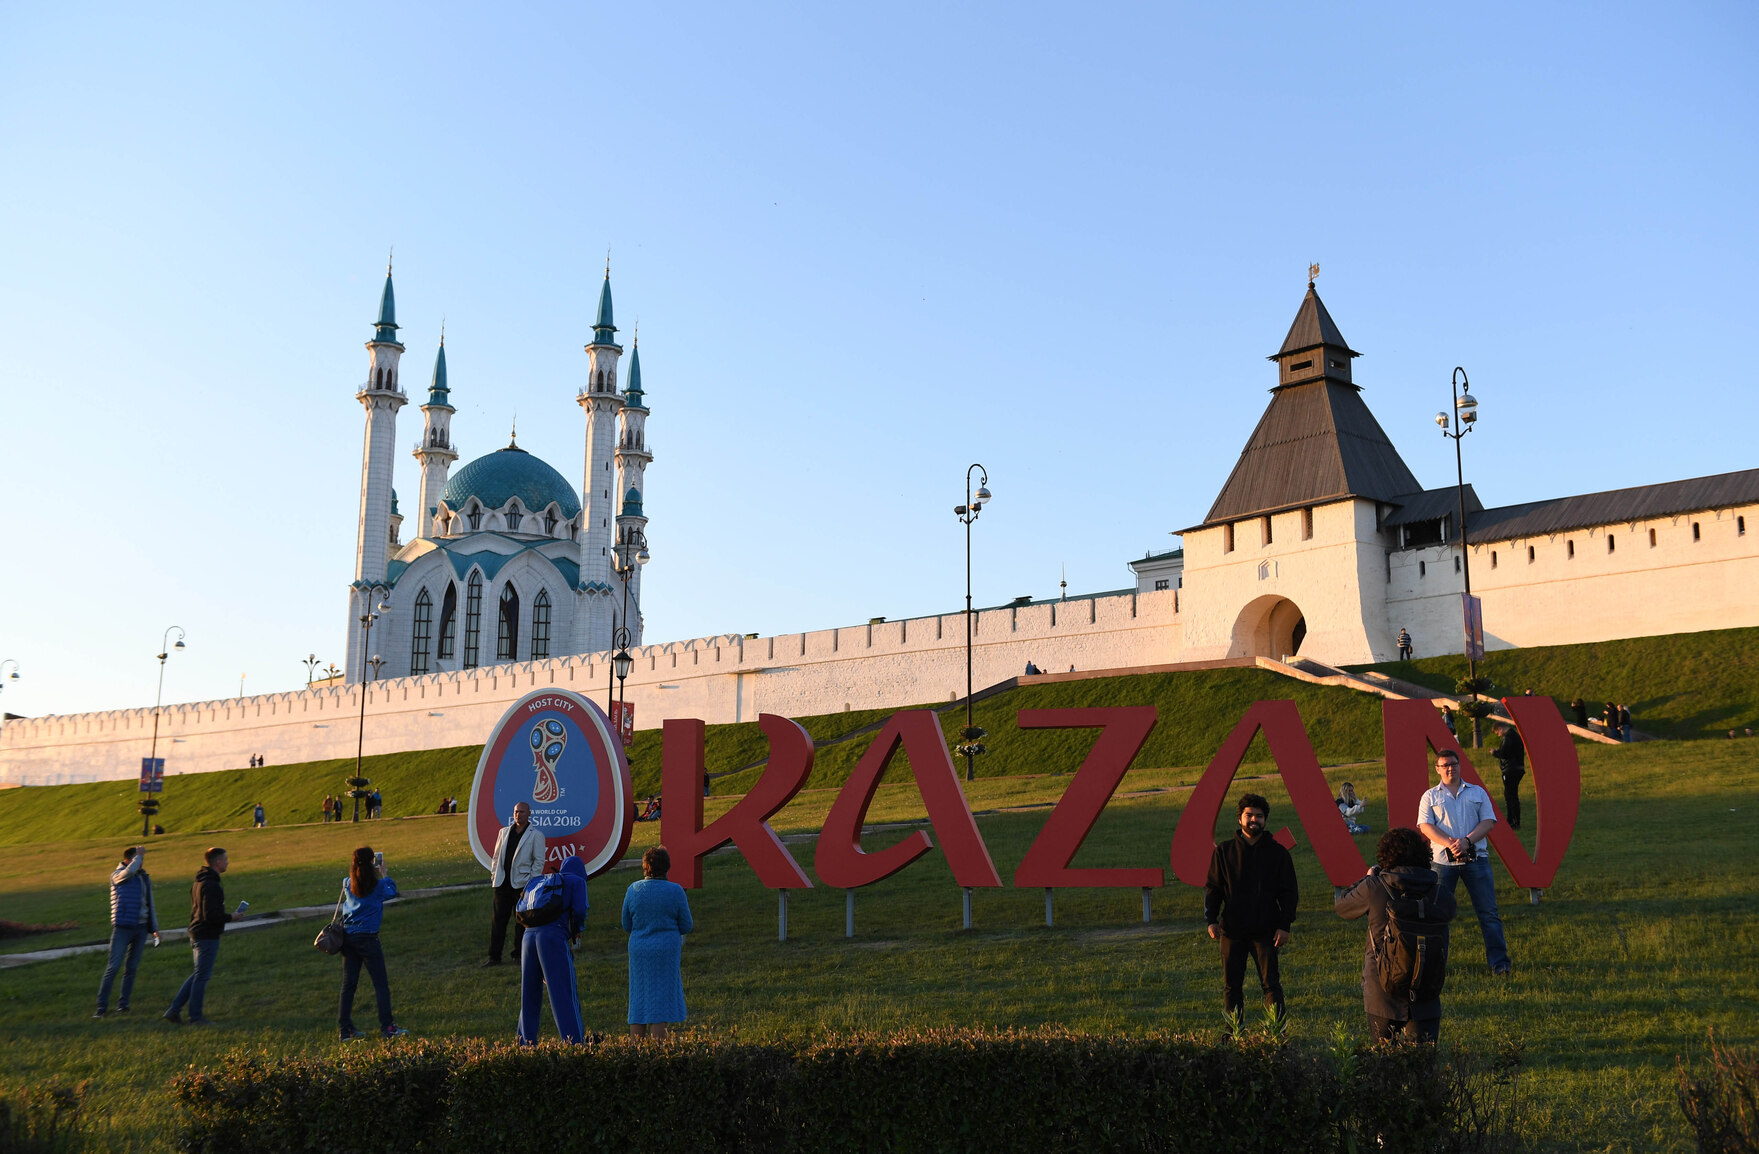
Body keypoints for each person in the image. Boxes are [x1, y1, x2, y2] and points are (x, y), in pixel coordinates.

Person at [1334, 827, 1458, 1043]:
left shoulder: (1374, 887)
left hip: (1382, 989)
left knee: (1384, 1065)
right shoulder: (1441, 893)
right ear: (1424, 855)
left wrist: (1367, 879)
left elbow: (1342, 906)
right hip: (1426, 988)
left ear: (1385, 856)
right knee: (1423, 1066)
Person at [1204, 793, 1298, 1023]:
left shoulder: (1278, 853)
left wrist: (1285, 925)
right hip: (1232, 930)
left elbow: (1289, 893)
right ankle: (1232, 1035)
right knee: (1231, 987)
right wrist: (1211, 920)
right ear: (1240, 819)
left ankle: (1277, 1035)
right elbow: (1213, 888)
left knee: (1271, 986)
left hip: (1266, 931)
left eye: (1259, 816)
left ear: (1265, 820)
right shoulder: (1223, 852)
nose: (1253, 820)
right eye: (1249, 815)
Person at [1417, 750, 1510, 975]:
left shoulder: (1477, 792)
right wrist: (1451, 844)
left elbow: (1489, 821)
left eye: (1454, 764)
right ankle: (1437, 966)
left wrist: (1467, 841)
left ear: (1460, 766)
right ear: (1437, 769)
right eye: (1445, 765)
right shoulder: (1430, 796)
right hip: (1442, 863)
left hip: (1476, 860)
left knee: (1488, 913)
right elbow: (1425, 826)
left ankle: (1500, 965)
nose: (1451, 768)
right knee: (1438, 916)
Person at [164, 847, 245, 1024]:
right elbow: (211, 915)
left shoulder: (199, 881)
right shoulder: (212, 885)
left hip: (197, 931)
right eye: (226, 859)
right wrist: (232, 917)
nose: (228, 862)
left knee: (198, 973)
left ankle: (174, 1010)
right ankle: (196, 1017)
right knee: (202, 977)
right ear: (217, 862)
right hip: (207, 934)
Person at [621, 846, 695, 1040]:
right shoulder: (676, 891)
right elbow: (686, 925)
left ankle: (635, 1052)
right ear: (667, 867)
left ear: (645, 867)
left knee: (638, 998)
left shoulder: (633, 889)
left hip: (638, 949)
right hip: (666, 949)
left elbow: (626, 924)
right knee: (660, 1002)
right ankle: (658, 1053)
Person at [337, 846, 407, 1041]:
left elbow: (353, 884)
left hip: (348, 939)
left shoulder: (347, 883)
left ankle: (345, 1030)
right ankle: (388, 1027)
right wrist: (384, 873)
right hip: (368, 939)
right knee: (380, 985)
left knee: (349, 985)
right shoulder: (377, 886)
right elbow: (392, 892)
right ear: (371, 863)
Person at [517, 856, 589, 1045]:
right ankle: (574, 1043)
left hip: (527, 937)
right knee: (563, 991)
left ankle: (524, 1045)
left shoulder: (543, 881)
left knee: (529, 993)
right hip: (552, 936)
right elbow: (580, 911)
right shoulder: (577, 881)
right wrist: (577, 930)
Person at [95, 845, 160, 1017]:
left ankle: (123, 1005)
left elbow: (149, 902)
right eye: (137, 860)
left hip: (140, 929)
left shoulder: (143, 877)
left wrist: (154, 928)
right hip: (123, 928)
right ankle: (101, 1007)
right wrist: (137, 856)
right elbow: (128, 873)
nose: (141, 863)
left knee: (131, 969)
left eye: (142, 860)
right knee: (113, 967)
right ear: (127, 860)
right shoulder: (117, 875)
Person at [486, 802, 545, 966]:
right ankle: (494, 957)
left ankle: (519, 955)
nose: (518, 814)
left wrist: (531, 885)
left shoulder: (536, 835)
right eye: (516, 811)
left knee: (521, 922)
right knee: (498, 921)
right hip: (501, 884)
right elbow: (496, 857)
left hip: (522, 885)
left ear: (529, 814)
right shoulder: (503, 832)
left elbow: (539, 862)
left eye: (522, 812)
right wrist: (494, 876)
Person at [1491, 721, 1525, 830]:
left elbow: (1504, 754)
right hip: (1517, 768)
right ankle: (1511, 820)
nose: (1499, 735)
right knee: (1510, 795)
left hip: (1511, 770)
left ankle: (1514, 821)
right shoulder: (1515, 736)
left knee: (1510, 796)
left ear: (1501, 728)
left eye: (1497, 733)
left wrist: (1494, 753)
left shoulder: (1508, 738)